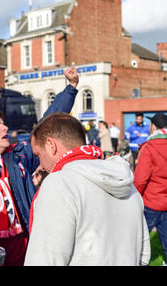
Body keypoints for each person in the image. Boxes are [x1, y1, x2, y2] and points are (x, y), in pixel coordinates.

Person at [0, 67, 79, 266]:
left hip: (26, 255)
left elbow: (46, 126)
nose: (5, 128)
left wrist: (70, 88)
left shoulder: (17, 158)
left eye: (3, 124)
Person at [25, 112, 151, 266]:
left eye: (38, 155)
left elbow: (43, 259)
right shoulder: (126, 182)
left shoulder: (60, 184)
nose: (41, 165)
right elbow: (143, 256)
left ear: (51, 145)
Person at [134, 113, 167, 265]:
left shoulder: (149, 146)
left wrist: (134, 198)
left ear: (153, 126)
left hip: (150, 203)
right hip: (165, 203)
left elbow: (140, 179)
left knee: (139, 243)